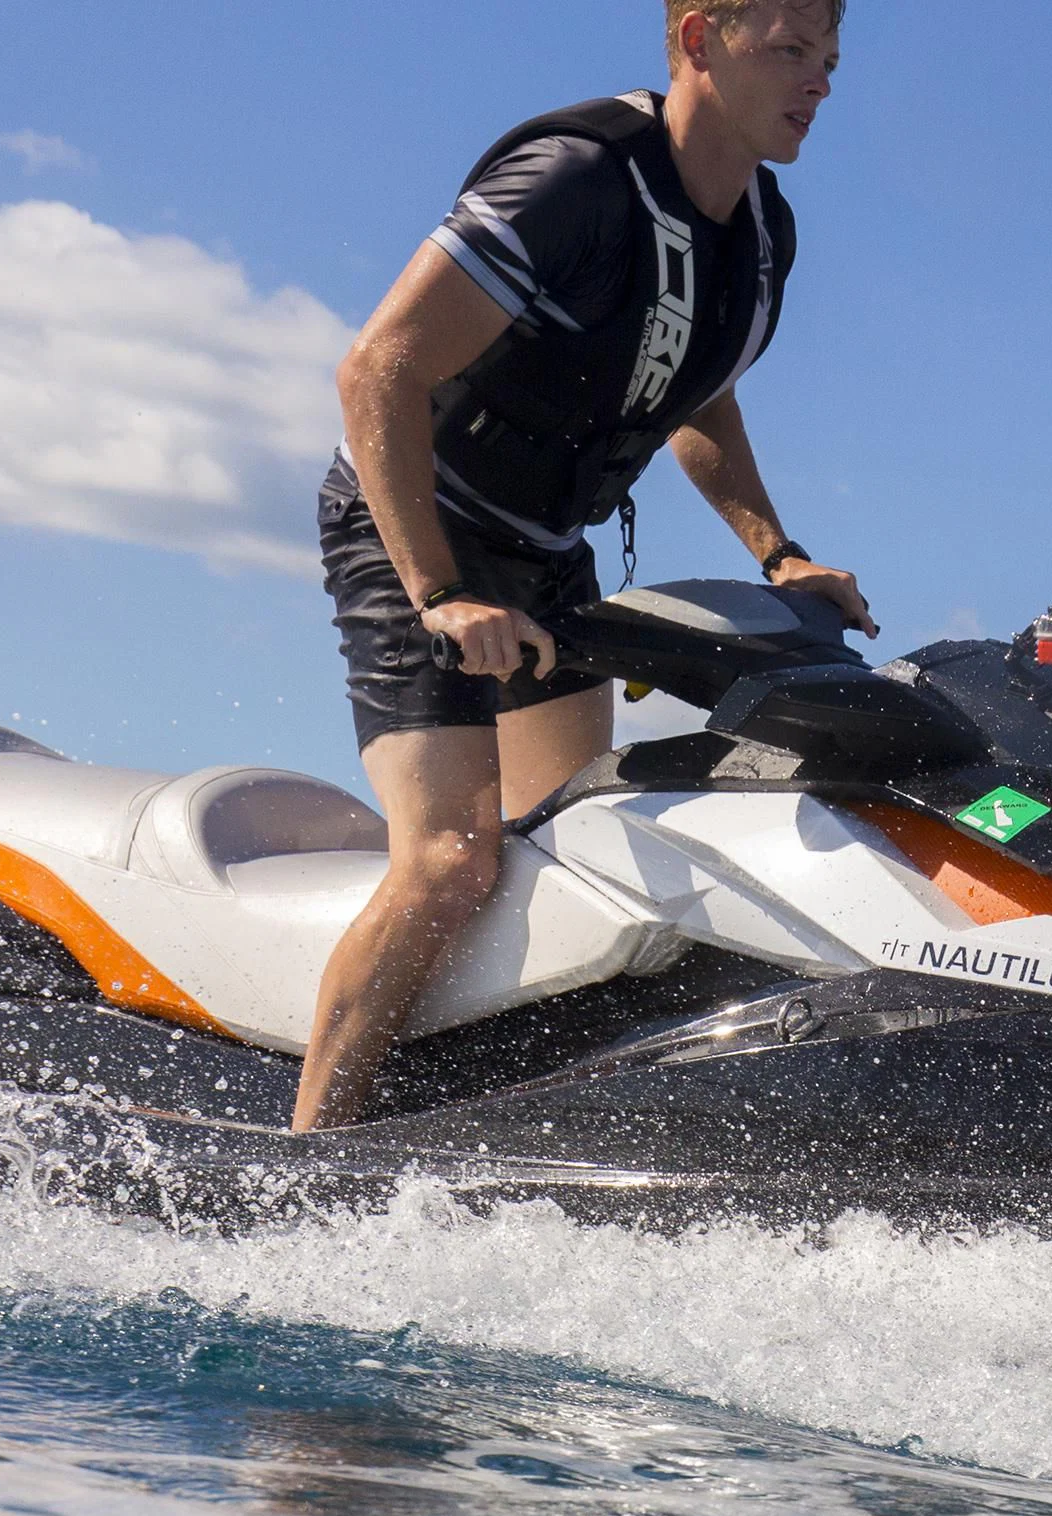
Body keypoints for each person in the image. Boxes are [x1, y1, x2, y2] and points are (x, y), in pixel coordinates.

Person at [292, 0, 877, 1132]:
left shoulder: (762, 232)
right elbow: (377, 372)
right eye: (793, 50)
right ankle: (313, 1147)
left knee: (572, 841)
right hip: (416, 527)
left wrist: (782, 553)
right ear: (700, 39)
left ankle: (477, 1107)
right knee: (455, 860)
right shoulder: (576, 180)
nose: (821, 82)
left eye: (833, 59)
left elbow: (696, 390)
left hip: (546, 557)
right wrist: (438, 592)